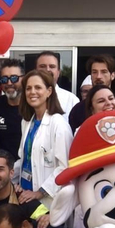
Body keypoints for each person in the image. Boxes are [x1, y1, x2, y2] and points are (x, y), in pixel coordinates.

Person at [17, 70, 72, 205]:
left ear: (49, 91)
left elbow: (65, 167)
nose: (32, 92)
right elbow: (24, 159)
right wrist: (12, 180)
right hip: (25, 194)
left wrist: (40, 192)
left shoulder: (58, 124)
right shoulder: (27, 122)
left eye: (38, 87)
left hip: (47, 200)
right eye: (28, 88)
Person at [68, 55, 115, 129]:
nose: (98, 76)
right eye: (94, 72)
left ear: (112, 75)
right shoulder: (78, 110)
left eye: (103, 72)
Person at [0, 59, 24, 156]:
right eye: (4, 79)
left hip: (27, 167)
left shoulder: (32, 106)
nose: (9, 83)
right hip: (2, 167)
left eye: (14, 78)